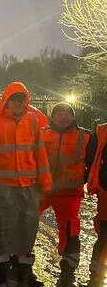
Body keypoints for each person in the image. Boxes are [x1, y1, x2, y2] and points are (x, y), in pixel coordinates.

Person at [0, 82, 52, 287]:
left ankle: (24, 269)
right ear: (6, 101)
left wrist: (45, 180)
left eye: (21, 100)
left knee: (28, 226)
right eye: (14, 99)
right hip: (2, 185)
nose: (18, 103)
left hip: (28, 184)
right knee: (2, 226)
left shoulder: (32, 121)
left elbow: (39, 153)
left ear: (26, 102)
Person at [40, 103, 95, 275]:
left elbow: (92, 163)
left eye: (67, 113)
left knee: (69, 226)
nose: (63, 116)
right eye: (59, 113)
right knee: (25, 219)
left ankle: (69, 261)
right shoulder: (41, 134)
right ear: (52, 116)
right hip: (43, 189)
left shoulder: (85, 136)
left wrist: (81, 180)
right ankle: (20, 255)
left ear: (73, 116)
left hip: (69, 192)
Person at [84, 123, 107, 287]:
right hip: (106, 191)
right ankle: (95, 279)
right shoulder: (101, 131)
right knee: (104, 237)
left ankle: (96, 279)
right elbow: (90, 157)